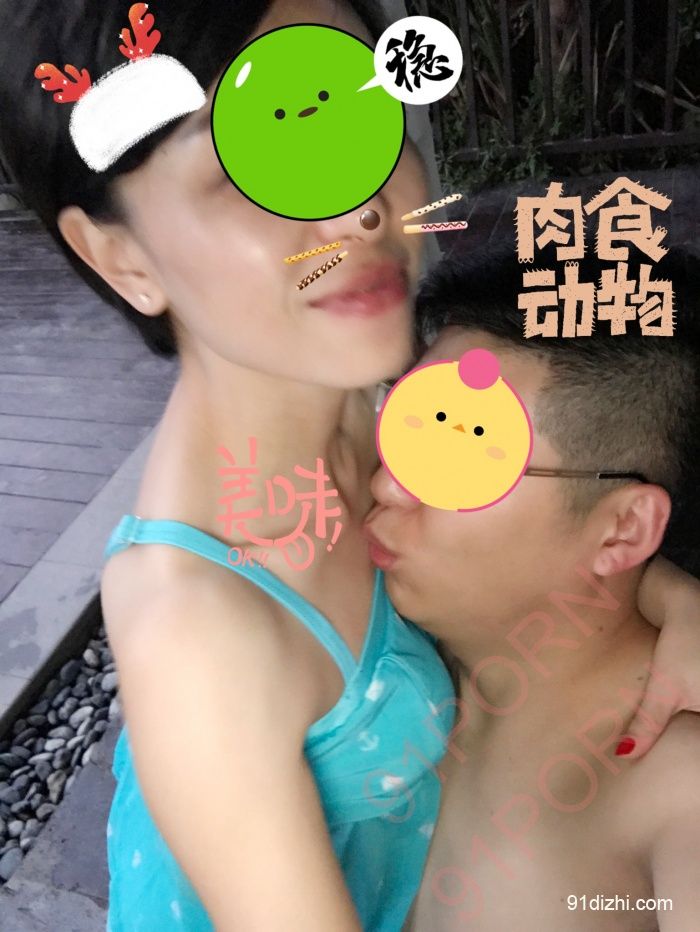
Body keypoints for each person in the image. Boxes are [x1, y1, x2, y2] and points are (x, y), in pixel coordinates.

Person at [0, 1, 696, 928]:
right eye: (250, 166)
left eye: (362, 120)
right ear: (121, 257)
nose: (358, 207)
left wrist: (671, 598)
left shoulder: (365, 391)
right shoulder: (196, 621)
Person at [364, 246, 700, 929]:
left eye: (460, 451)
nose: (384, 484)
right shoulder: (382, 636)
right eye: (400, 422)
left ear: (623, 530)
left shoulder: (673, 791)